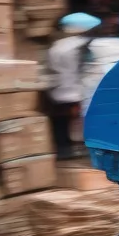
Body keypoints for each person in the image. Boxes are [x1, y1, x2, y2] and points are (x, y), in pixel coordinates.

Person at [45, 12, 102, 160]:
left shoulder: (56, 46)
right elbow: (88, 70)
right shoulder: (83, 45)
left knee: (60, 123)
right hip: (77, 92)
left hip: (58, 91)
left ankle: (63, 148)